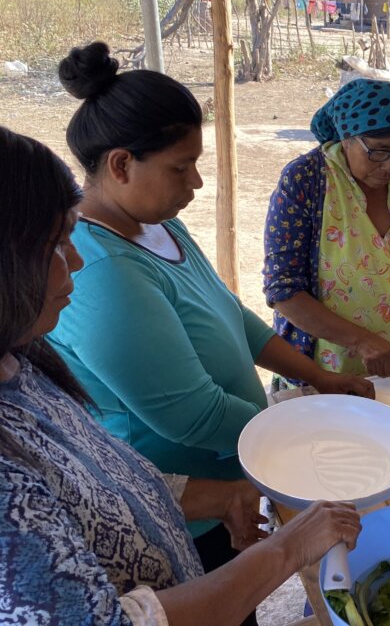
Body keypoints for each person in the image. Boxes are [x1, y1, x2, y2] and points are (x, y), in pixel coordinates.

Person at [47, 42, 371, 604]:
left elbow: (234, 321)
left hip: (227, 478)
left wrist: (323, 380)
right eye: (180, 167)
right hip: (179, 511)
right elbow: (191, 415)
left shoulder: (156, 225)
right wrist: (310, 441)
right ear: (122, 164)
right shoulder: (101, 270)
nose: (196, 183)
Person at [264, 77, 390, 382]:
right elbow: (283, 290)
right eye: (379, 152)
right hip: (327, 373)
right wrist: (361, 340)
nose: (389, 166)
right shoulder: (305, 181)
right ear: (347, 138)